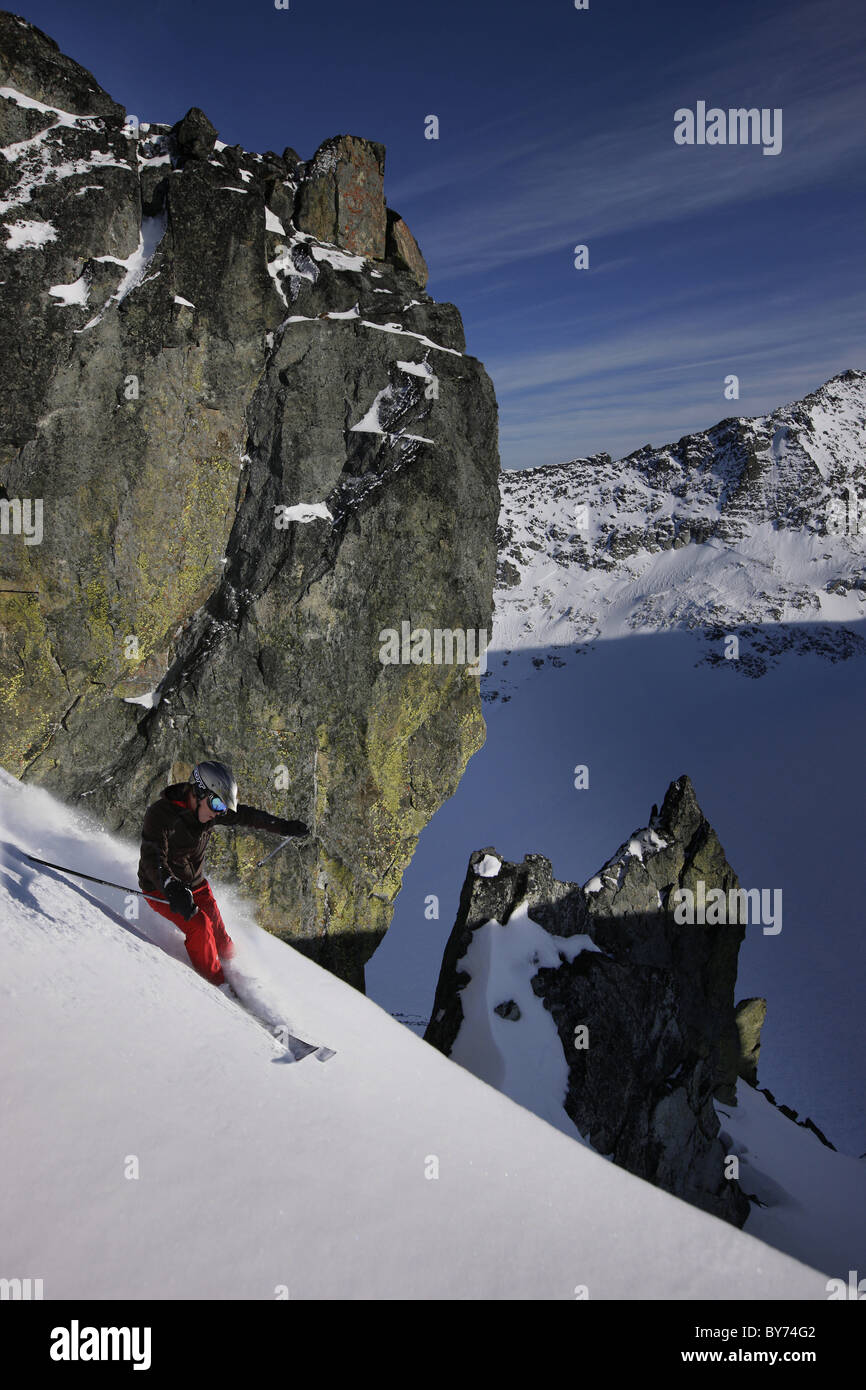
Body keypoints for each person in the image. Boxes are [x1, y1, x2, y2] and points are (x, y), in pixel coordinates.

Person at [138, 760, 309, 986]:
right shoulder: (160, 815)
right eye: (218, 805)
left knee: (224, 945)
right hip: (161, 888)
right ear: (199, 793)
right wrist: (171, 887)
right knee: (200, 927)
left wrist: (283, 826)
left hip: (195, 884)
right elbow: (153, 857)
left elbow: (248, 816)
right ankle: (219, 989)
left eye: (224, 808)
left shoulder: (210, 809)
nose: (220, 813)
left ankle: (234, 974)